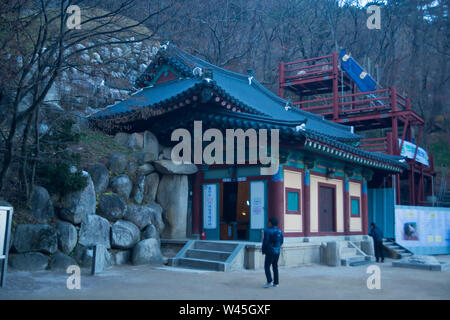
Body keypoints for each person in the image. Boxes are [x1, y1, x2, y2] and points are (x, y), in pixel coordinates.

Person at [262, 217, 284, 288]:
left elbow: (265, 242)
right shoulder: (280, 231)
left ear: (271, 223)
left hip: (270, 251)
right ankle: (276, 283)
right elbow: (281, 241)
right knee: (275, 266)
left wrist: (263, 250)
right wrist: (277, 247)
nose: (268, 224)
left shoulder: (267, 231)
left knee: (267, 266)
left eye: (269, 222)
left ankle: (269, 281)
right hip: (277, 251)